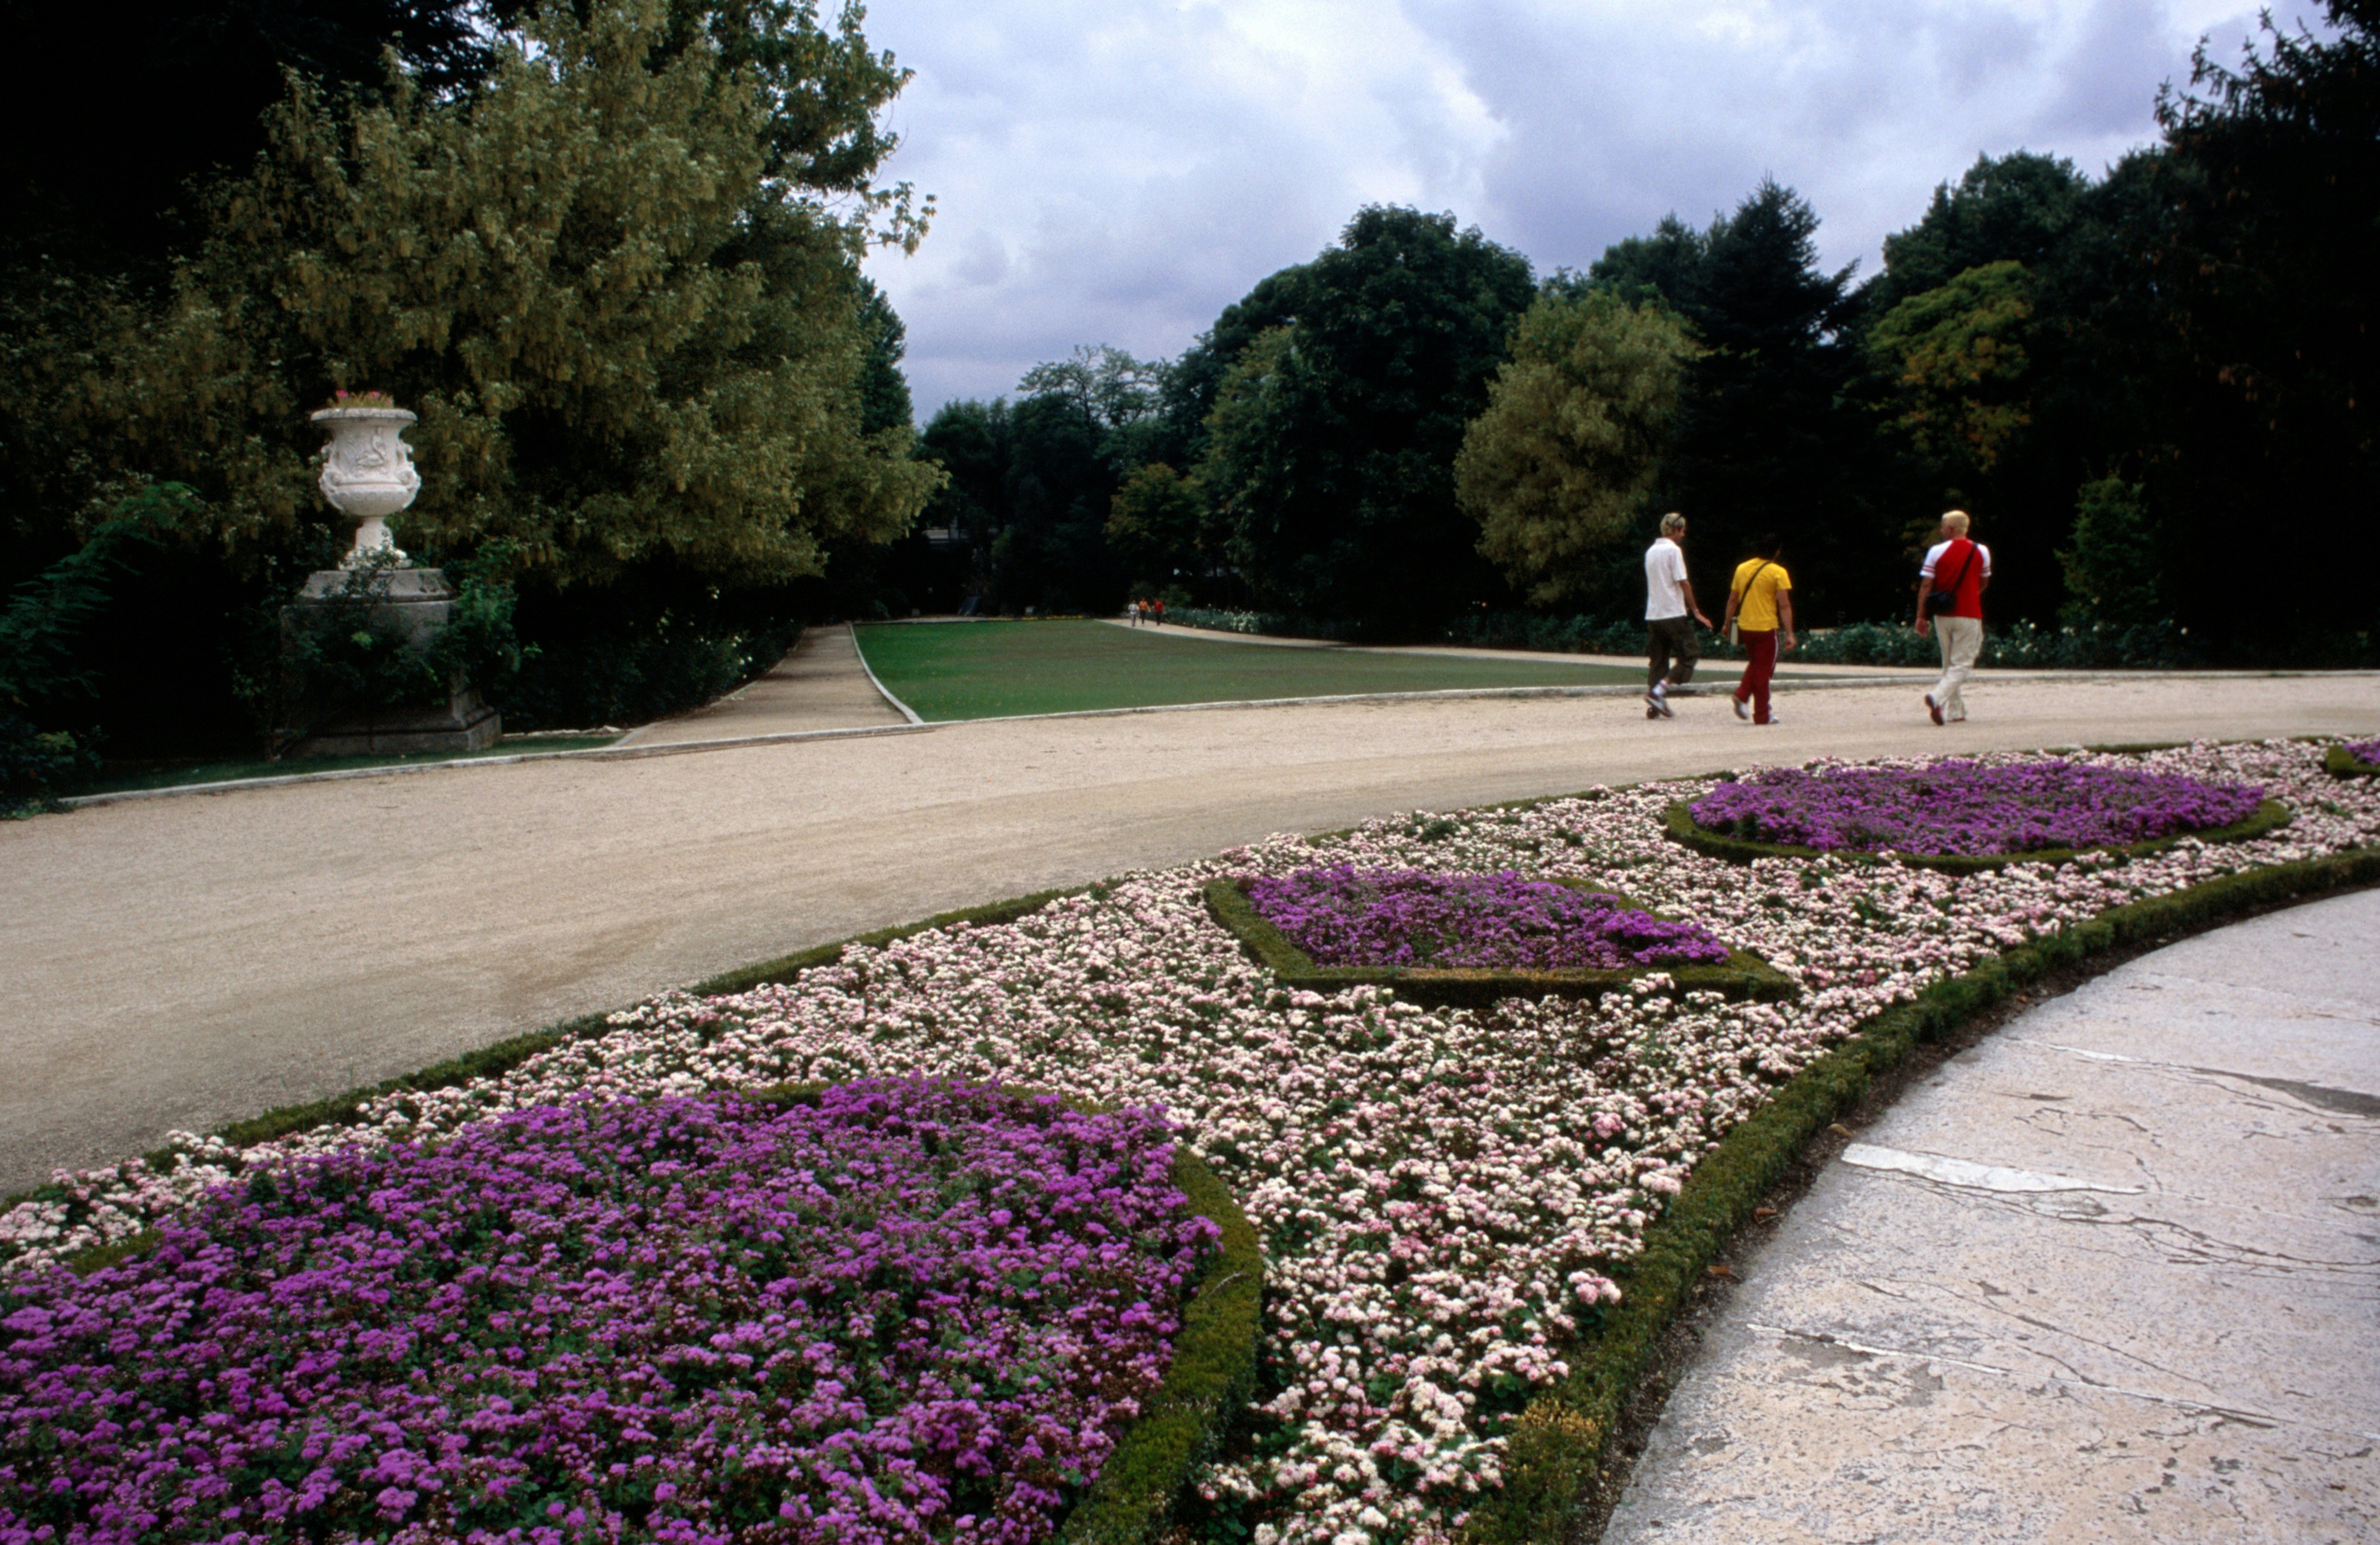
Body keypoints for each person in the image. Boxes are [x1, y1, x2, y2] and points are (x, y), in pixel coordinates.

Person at [1914, 509, 1991, 724]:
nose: (1941, 530)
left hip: (1942, 614)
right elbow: (1983, 581)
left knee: (1949, 663)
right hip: (1969, 613)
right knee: (1963, 663)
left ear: (1950, 528)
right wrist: (1970, 594)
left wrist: (1921, 616)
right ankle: (1937, 697)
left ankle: (1956, 710)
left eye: (1943, 526)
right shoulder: (1981, 551)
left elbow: (1926, 585)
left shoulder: (1936, 552)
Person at [1643, 512, 1711, 719]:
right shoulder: (1673, 550)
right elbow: (1683, 582)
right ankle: (1659, 691)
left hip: (1654, 613)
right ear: (1676, 530)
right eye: (1682, 530)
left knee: (1658, 660)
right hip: (1672, 613)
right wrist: (1696, 610)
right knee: (1690, 654)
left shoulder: (1651, 551)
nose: (1683, 534)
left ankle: (1655, 705)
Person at [1722, 535, 1795, 725]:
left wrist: (1727, 623)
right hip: (1766, 626)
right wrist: (1790, 633)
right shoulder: (1778, 572)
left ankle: (1743, 694)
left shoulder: (1742, 568)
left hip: (1746, 625)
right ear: (1776, 552)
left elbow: (1733, 600)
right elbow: (1784, 605)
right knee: (1764, 670)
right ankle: (1761, 713)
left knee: (1756, 664)